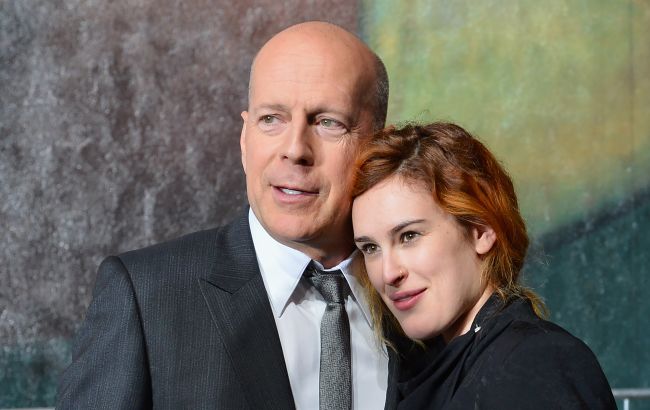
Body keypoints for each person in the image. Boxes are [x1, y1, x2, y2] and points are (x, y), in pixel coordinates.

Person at [58, 21, 401, 409]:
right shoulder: (146, 297)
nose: (294, 150)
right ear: (244, 138)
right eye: (271, 119)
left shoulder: (423, 295)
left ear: (381, 147)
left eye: (327, 123)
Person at [351, 122, 617, 409]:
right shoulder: (429, 370)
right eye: (370, 248)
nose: (388, 273)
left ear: (481, 231)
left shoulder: (536, 364)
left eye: (409, 236)